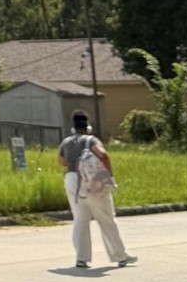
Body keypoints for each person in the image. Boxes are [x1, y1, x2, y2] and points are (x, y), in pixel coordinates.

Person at [57, 110, 137, 269]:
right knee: (106, 217)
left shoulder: (66, 142)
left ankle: (82, 258)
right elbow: (103, 155)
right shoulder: (91, 140)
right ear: (87, 126)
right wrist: (109, 176)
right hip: (91, 180)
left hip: (72, 180)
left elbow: (61, 162)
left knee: (80, 219)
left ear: (73, 127)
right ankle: (120, 255)